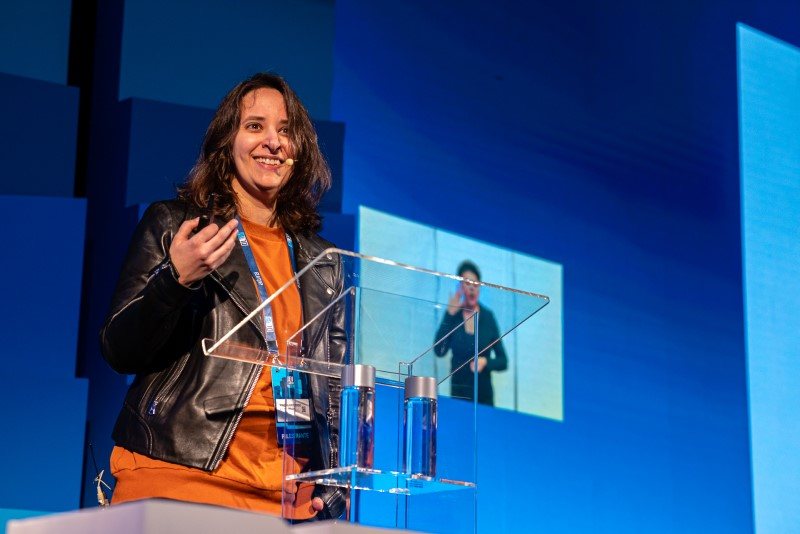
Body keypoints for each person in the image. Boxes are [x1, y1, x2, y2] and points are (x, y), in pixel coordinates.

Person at [100, 73, 346, 520]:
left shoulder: (323, 261)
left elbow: (333, 387)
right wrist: (176, 280)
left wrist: (334, 481)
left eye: (286, 130)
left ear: (300, 151)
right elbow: (120, 348)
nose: (273, 141)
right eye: (255, 126)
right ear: (226, 144)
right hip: (181, 477)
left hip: (286, 498)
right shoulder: (178, 226)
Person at [434, 261, 507, 406]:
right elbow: (439, 351)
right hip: (458, 397)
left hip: (484, 398)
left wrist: (486, 362)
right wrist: (449, 314)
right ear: (460, 287)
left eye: (476, 284)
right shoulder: (453, 316)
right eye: (468, 284)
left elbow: (503, 361)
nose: (472, 289)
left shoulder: (488, 317)